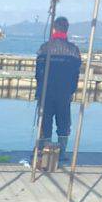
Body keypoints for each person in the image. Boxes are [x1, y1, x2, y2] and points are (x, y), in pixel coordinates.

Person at [35, 16, 81, 163]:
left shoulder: (45, 48)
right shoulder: (74, 50)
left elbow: (38, 73)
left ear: (54, 29)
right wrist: (71, 90)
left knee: (45, 122)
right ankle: (61, 154)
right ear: (66, 30)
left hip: (46, 92)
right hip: (64, 93)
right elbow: (76, 74)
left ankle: (44, 151)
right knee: (64, 124)